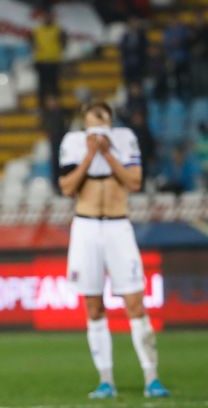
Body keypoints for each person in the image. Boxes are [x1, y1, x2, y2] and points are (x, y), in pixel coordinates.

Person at [58, 101, 170, 399]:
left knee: (135, 303)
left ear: (110, 121)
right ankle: (105, 380)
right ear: (84, 123)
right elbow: (67, 187)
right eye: (91, 124)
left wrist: (106, 152)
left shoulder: (125, 140)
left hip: (118, 226)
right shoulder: (73, 144)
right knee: (93, 307)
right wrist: (90, 155)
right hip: (86, 227)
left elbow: (134, 181)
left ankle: (152, 377)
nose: (96, 129)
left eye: (102, 122)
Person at [31, 12, 66, 107]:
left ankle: (56, 105)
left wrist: (57, 52)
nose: (46, 18)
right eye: (45, 16)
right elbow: (32, 43)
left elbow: (63, 43)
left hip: (54, 60)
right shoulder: (37, 30)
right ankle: (42, 105)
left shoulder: (58, 30)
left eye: (48, 16)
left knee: (54, 83)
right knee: (42, 85)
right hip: (41, 61)